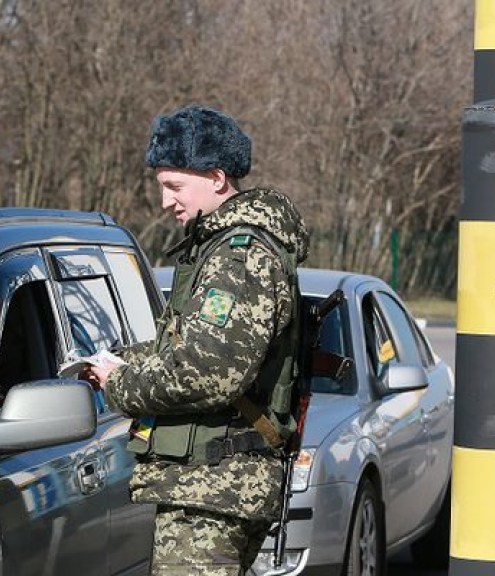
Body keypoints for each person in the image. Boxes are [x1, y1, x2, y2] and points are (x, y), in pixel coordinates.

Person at [85, 104, 309, 575]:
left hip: (213, 487)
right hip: (213, 484)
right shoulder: (220, 248)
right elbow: (189, 347)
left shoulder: (237, 256)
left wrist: (120, 384)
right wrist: (117, 360)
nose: (166, 201)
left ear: (216, 177)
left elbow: (208, 374)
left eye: (174, 186)